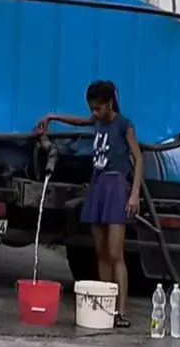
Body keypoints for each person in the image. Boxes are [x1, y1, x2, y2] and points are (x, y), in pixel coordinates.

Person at [34, 80, 143, 328]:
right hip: (97, 185)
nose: (93, 113)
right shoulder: (98, 121)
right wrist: (51, 116)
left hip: (116, 187)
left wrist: (134, 194)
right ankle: (104, 307)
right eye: (91, 109)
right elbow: (79, 121)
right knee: (101, 253)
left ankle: (121, 311)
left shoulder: (124, 126)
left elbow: (138, 159)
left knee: (116, 254)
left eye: (98, 108)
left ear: (109, 103)